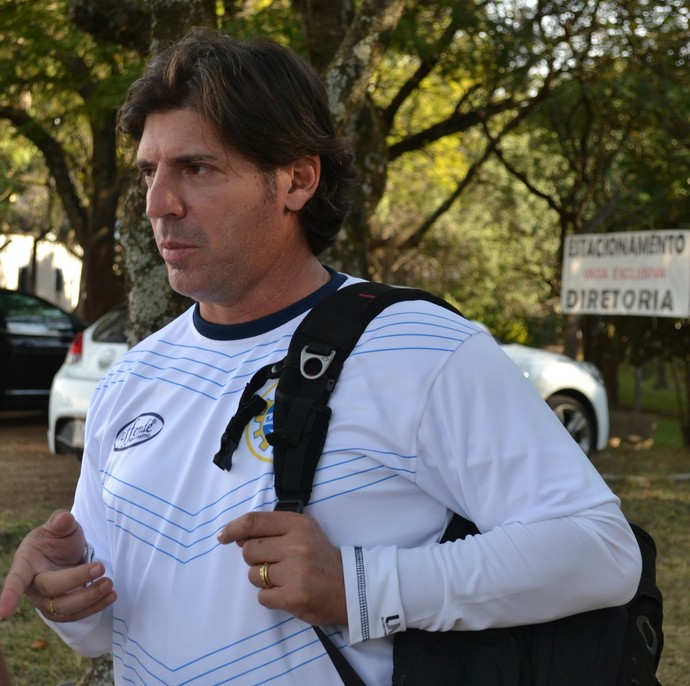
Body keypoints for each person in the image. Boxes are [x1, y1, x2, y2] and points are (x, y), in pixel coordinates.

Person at [0, 29, 641, 685]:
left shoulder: (420, 349)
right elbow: (116, 627)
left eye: (196, 168)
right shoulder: (133, 380)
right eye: (148, 172)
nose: (158, 204)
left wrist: (363, 586)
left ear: (297, 181)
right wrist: (69, 595)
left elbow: (599, 551)